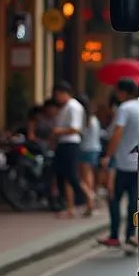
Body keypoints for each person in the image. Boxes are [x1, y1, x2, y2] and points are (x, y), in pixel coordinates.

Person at [98, 78, 139, 248]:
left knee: (113, 198)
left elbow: (117, 133)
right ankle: (131, 234)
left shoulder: (124, 108)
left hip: (122, 163)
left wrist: (107, 155)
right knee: (133, 201)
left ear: (124, 92)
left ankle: (115, 235)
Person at [50, 81, 89, 218]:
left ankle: (89, 198)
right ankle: (70, 207)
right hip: (64, 144)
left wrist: (59, 131)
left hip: (70, 144)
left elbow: (76, 128)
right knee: (66, 176)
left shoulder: (73, 107)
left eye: (57, 95)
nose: (56, 98)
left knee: (72, 176)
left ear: (63, 93)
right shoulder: (65, 107)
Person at [78, 97, 102, 208]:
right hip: (95, 148)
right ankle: (90, 201)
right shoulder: (93, 118)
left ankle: (90, 198)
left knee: (83, 176)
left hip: (85, 149)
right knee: (90, 175)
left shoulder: (85, 119)